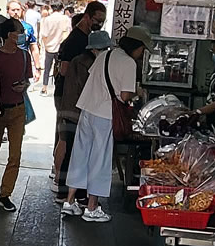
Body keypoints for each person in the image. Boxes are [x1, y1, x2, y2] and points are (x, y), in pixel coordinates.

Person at [62, 27, 154, 222]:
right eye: (142, 50)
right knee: (100, 159)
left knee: (80, 154)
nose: (142, 54)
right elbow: (125, 96)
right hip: (104, 115)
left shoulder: (105, 54)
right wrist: (137, 92)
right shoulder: (129, 63)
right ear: (136, 46)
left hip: (87, 110)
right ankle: (92, 207)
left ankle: (70, 202)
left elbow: (93, 78)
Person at [52, 1, 108, 198]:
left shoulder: (82, 41)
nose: (99, 24)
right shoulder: (77, 42)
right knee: (68, 142)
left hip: (72, 100)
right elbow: (65, 70)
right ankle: (62, 185)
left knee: (68, 142)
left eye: (102, 21)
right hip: (71, 100)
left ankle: (63, 186)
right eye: (97, 20)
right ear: (87, 16)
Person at [0, 18, 30, 212]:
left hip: (18, 108)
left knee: (15, 155)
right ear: (10, 34)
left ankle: (5, 194)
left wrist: (24, 85)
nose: (21, 34)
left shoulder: (24, 56)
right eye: (18, 31)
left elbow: (27, 79)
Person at [39, 0, 71, 94]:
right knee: (60, 68)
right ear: (62, 8)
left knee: (47, 67)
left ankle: (44, 87)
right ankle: (58, 87)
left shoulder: (47, 19)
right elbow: (68, 32)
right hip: (61, 47)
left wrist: (45, 45)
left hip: (49, 47)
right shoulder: (66, 19)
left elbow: (44, 34)